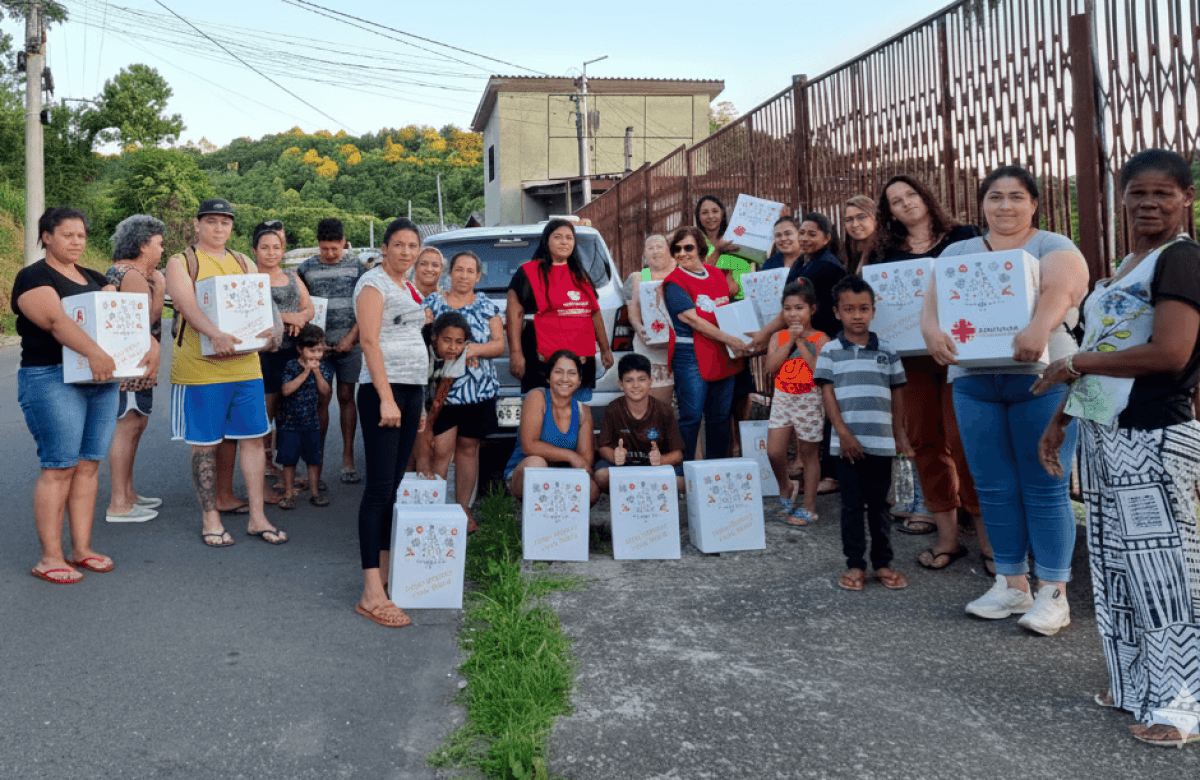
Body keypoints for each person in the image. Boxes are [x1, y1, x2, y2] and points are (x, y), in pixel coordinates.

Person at [1034, 149, 1200, 745]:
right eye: (1138, 193)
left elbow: (1171, 354)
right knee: (1117, 569)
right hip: (1108, 435)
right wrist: (1061, 416)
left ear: (1185, 198)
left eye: (1164, 193)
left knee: (1164, 572)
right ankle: (1136, 686)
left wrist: (1071, 362)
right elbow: (1107, 351)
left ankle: (1183, 703)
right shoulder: (1130, 263)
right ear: (1121, 196)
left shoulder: (1182, 260)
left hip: (1154, 435)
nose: (1149, 203)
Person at [921, 165, 1088, 626]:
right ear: (982, 204)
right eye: (995, 197)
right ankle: (1012, 585)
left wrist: (1039, 326)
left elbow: (1063, 285)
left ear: (1034, 204)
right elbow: (932, 307)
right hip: (974, 382)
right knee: (993, 487)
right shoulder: (960, 251)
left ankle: (1053, 593)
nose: (1005, 206)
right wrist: (933, 335)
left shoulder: (1052, 245)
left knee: (1046, 485)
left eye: (1017, 197)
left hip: (1042, 379)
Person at [14, 207, 151, 582]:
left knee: (89, 465)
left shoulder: (93, 277)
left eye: (82, 236)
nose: (77, 242)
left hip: (101, 382)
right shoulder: (33, 277)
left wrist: (150, 344)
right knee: (60, 467)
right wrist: (93, 352)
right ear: (46, 237)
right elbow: (56, 321)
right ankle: (50, 557)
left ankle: (82, 549)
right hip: (51, 378)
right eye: (67, 235)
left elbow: (126, 319)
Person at [871, 175, 986, 549]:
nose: (906, 203)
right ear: (889, 212)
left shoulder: (964, 237)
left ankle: (987, 540)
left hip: (960, 354)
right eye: (895, 201)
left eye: (911, 194)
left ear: (926, 196)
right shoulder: (885, 250)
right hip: (912, 360)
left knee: (963, 441)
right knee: (924, 442)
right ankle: (948, 539)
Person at [166, 199, 284, 546]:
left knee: (253, 438)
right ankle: (210, 518)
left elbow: (261, 301)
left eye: (225, 223)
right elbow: (186, 305)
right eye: (212, 222)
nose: (219, 229)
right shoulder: (181, 261)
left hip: (246, 365)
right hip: (201, 368)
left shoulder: (243, 260)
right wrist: (214, 334)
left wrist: (271, 331)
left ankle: (257, 517)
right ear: (198, 224)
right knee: (205, 445)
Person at [353, 217, 429, 629]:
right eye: (398, 244)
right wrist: (385, 398)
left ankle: (381, 580)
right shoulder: (373, 284)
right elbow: (369, 341)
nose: (406, 251)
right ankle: (370, 593)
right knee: (379, 490)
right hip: (384, 392)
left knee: (393, 489)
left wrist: (414, 403)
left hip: (410, 391)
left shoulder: (408, 287)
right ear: (384, 248)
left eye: (412, 245)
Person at [814, 275, 912, 592]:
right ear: (836, 312)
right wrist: (842, 433)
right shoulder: (829, 351)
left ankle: (883, 563)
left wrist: (898, 436)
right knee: (852, 506)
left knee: (880, 506)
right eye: (849, 309)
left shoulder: (888, 352)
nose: (857, 315)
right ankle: (855, 564)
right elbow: (827, 395)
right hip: (846, 446)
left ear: (873, 310)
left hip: (882, 444)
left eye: (864, 308)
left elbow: (897, 394)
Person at [421, 251, 504, 520]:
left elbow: (499, 345)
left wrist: (471, 350)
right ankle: (434, 512)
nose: (464, 275)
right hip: (442, 393)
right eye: (459, 269)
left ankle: (462, 511)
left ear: (478, 276)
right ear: (450, 272)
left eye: (470, 271)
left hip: (478, 392)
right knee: (440, 450)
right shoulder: (433, 302)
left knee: (469, 449)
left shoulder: (487, 305)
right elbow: (425, 340)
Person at [661, 225, 753, 460]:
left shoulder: (716, 273)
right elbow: (695, 321)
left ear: (700, 248)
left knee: (720, 417)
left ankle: (716, 471)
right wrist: (733, 340)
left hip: (721, 351)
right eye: (677, 249)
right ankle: (687, 473)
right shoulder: (673, 283)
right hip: (691, 354)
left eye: (688, 247)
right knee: (691, 417)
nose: (682, 253)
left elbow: (730, 304)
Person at [104, 214, 167, 523]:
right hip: (132, 364)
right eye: (158, 244)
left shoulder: (122, 271)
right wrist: (162, 286)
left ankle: (127, 493)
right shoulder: (133, 275)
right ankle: (119, 502)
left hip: (131, 362)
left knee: (135, 423)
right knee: (128, 425)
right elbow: (147, 321)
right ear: (143, 245)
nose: (162, 250)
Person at [507, 219, 614, 399]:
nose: (564, 242)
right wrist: (516, 354)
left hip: (581, 362)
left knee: (578, 414)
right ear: (546, 241)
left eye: (569, 238)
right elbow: (514, 314)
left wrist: (605, 349)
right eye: (558, 237)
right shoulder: (528, 272)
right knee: (542, 414)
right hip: (543, 363)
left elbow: (594, 313)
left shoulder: (580, 274)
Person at [297, 217, 364, 484]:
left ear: (343, 242)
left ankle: (348, 457)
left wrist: (351, 338)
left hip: (350, 344)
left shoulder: (357, 267)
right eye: (325, 249)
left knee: (347, 396)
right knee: (319, 400)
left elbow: (366, 307)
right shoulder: (306, 269)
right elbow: (300, 303)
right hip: (318, 349)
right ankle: (317, 461)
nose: (330, 254)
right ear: (318, 245)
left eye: (335, 248)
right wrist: (311, 344)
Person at [254, 221, 315, 486]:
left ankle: (284, 464)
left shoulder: (292, 276)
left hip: (293, 354)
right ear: (254, 250)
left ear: (283, 250)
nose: (271, 252)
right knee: (266, 410)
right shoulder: (249, 280)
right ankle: (264, 462)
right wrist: (287, 316)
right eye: (264, 247)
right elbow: (252, 315)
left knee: (287, 411)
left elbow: (309, 308)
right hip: (265, 353)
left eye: (276, 247)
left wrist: (300, 318)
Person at [766, 280, 829, 525]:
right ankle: (786, 486)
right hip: (783, 398)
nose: (793, 314)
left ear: (812, 309)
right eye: (788, 308)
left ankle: (808, 506)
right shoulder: (777, 337)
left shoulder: (822, 339)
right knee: (773, 451)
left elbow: (818, 372)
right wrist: (790, 340)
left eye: (799, 308)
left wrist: (801, 341)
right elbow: (772, 367)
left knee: (809, 455)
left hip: (810, 400)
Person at [504, 350, 600, 505]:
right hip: (526, 472)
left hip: (561, 476)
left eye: (572, 373)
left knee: (592, 489)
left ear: (579, 380)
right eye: (558, 372)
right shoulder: (537, 397)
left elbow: (585, 461)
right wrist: (571, 456)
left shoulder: (584, 411)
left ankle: (562, 522)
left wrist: (577, 461)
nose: (565, 378)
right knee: (537, 464)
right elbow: (529, 446)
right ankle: (536, 518)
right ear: (548, 378)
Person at [592, 354, 686, 494]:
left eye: (641, 380)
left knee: (683, 483)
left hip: (655, 468)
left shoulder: (664, 411)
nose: (636, 385)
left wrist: (661, 460)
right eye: (629, 380)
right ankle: (625, 497)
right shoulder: (614, 409)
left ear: (650, 382)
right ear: (620, 384)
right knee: (601, 475)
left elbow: (678, 454)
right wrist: (614, 456)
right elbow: (603, 447)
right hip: (624, 468)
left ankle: (650, 495)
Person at [276, 324, 334, 510]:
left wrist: (316, 372)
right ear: (300, 349)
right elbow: (286, 390)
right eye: (312, 350)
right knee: (289, 461)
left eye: (319, 351)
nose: (316, 355)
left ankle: (315, 492)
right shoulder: (292, 365)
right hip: (289, 422)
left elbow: (326, 392)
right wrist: (306, 372)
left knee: (313, 460)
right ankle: (288, 493)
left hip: (312, 422)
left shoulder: (323, 368)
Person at [625, 234, 676, 406]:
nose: (655, 251)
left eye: (660, 246)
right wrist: (639, 328)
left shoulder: (681, 272)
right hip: (650, 350)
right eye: (650, 248)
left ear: (669, 251)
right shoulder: (636, 277)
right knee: (656, 407)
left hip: (680, 348)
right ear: (644, 254)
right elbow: (633, 313)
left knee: (691, 412)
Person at [843, 195, 878, 276]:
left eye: (861, 217)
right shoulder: (850, 248)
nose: (855, 224)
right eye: (849, 219)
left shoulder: (886, 251)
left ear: (876, 218)